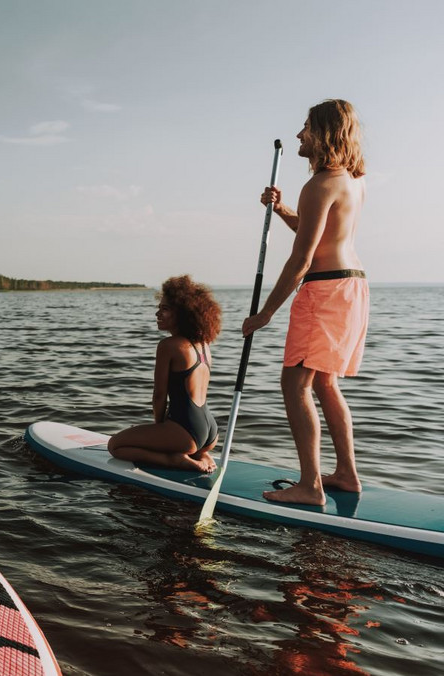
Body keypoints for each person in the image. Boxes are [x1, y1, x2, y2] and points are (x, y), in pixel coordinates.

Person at [242, 99, 369, 506]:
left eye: (306, 127)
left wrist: (266, 313)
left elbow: (302, 257)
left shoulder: (318, 184)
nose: (299, 135)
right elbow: (317, 230)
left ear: (324, 132)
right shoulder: (349, 180)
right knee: (325, 383)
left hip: (324, 290)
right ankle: (347, 474)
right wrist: (281, 209)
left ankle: (310, 486)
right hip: (352, 286)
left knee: (295, 383)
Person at [108, 276, 222, 472]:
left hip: (185, 433)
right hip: (210, 432)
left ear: (182, 314)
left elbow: (159, 395)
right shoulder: (204, 345)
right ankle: (201, 453)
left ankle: (175, 459)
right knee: (185, 440)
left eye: (165, 309)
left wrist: (160, 430)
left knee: (115, 446)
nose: (157, 313)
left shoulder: (169, 346)